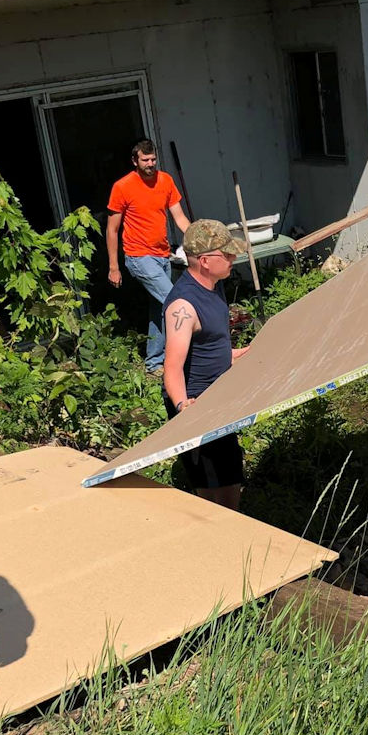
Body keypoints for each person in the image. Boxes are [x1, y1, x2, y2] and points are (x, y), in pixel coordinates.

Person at [162, 219, 250, 510]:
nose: (233, 258)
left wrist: (230, 355)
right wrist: (182, 406)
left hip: (219, 397)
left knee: (230, 474)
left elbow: (209, 340)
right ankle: (222, 540)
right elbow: (172, 367)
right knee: (218, 485)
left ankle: (228, 529)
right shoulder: (183, 306)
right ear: (204, 261)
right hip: (198, 404)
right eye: (226, 255)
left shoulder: (214, 285)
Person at [107, 139, 190, 372]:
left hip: (162, 255)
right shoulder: (122, 187)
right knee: (177, 302)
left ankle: (154, 362)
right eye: (145, 160)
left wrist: (199, 238)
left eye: (153, 159)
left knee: (160, 309)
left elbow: (180, 217)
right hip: (138, 256)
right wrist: (114, 266)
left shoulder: (165, 180)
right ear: (135, 161)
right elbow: (112, 229)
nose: (150, 164)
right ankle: (195, 355)